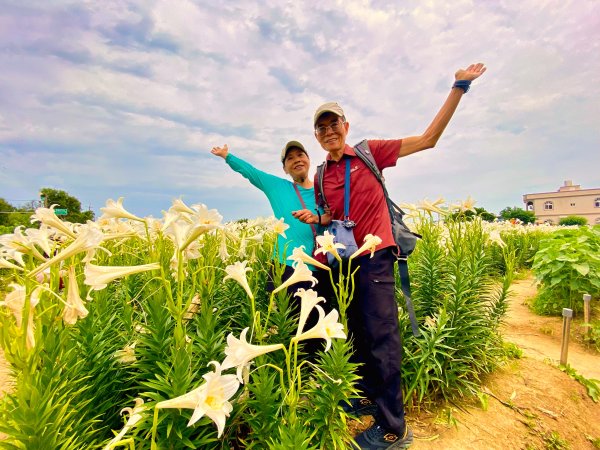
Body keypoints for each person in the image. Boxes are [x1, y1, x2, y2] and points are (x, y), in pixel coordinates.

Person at [295, 63, 486, 449]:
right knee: (359, 334)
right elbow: (331, 216)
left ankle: (393, 427)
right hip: (344, 263)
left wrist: (459, 86)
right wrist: (317, 217)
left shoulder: (370, 152)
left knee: (383, 338)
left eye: (335, 124)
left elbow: (429, 138)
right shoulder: (319, 175)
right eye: (322, 127)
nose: (329, 131)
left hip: (377, 255)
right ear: (316, 136)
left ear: (346, 126)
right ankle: (369, 395)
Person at [210, 142, 333, 352]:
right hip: (287, 268)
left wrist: (318, 218)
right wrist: (227, 156)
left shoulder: (324, 191)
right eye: (290, 158)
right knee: (292, 328)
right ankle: (297, 376)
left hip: (321, 268)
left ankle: (316, 377)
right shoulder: (278, 187)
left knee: (318, 331)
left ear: (309, 160)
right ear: (285, 168)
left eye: (300, 155)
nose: (297, 160)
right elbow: (252, 173)